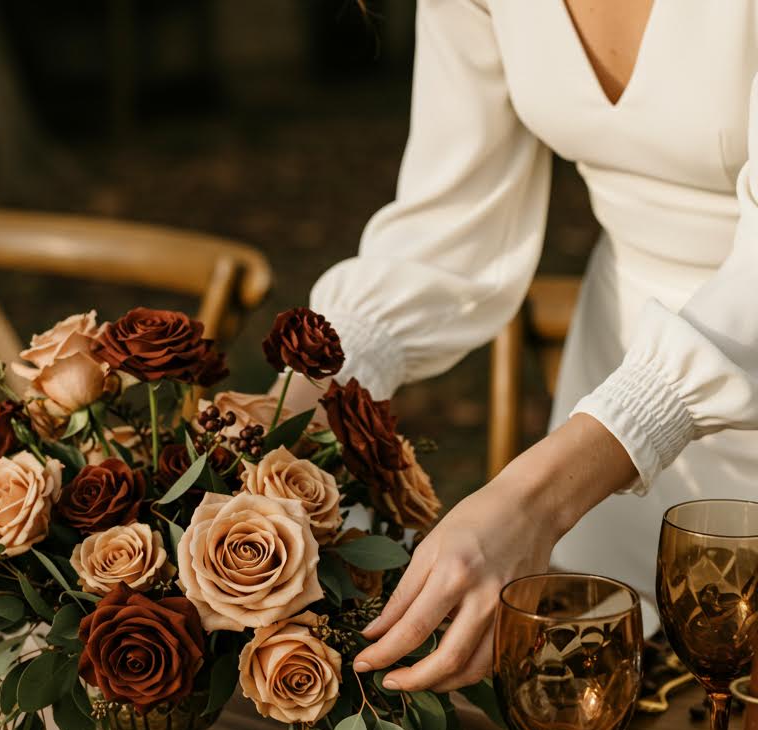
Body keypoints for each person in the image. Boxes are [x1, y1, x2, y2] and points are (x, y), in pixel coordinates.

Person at [288, 0, 758, 693]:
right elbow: (449, 233)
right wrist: (296, 402)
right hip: (615, 402)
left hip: (624, 429)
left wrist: (536, 499)